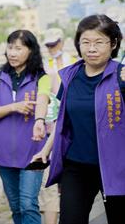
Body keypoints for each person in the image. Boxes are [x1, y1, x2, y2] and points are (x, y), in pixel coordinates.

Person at [39, 14, 125, 224]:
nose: (91, 49)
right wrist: (46, 150)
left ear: (113, 44)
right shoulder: (71, 76)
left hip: (116, 167)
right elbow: (63, 119)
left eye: (99, 42)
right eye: (85, 42)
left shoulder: (121, 76)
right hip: (76, 165)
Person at [0, 30, 51, 224]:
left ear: (31, 51)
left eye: (18, 48)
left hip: (33, 151)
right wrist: (14, 106)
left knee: (28, 204)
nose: (12, 53)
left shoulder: (41, 77)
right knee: (15, 206)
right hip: (4, 152)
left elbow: (43, 100)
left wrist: (39, 121)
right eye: (10, 47)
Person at [39, 28, 76, 224]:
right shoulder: (45, 65)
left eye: (54, 44)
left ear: (62, 42)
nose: (52, 48)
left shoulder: (73, 61)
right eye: (48, 45)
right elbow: (44, 93)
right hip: (51, 121)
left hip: (72, 120)